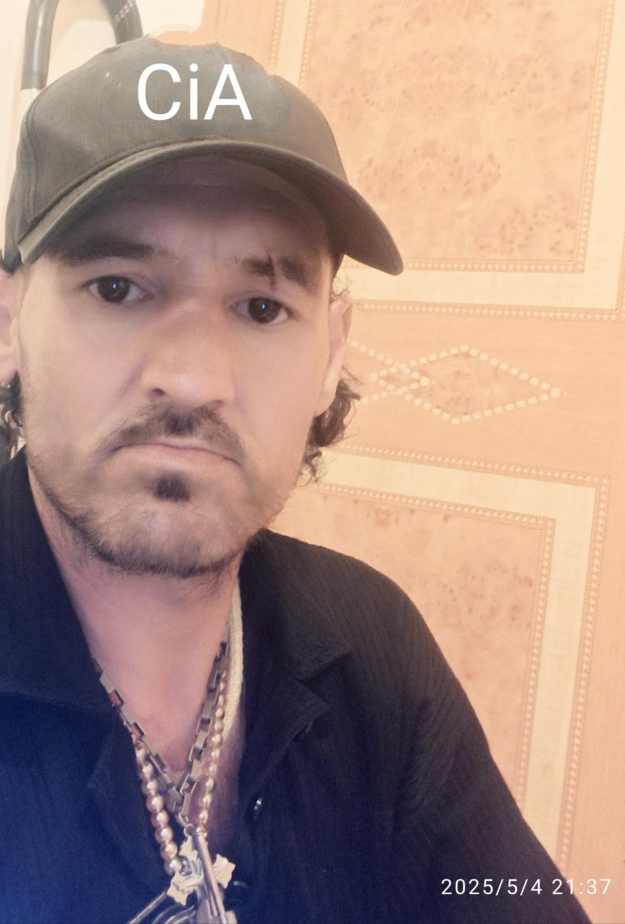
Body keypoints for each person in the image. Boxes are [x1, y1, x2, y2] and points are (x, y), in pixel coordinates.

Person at [0, 36, 590, 924]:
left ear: (332, 352)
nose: (194, 379)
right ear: (8, 320)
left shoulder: (372, 645)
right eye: (117, 288)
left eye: (262, 306)